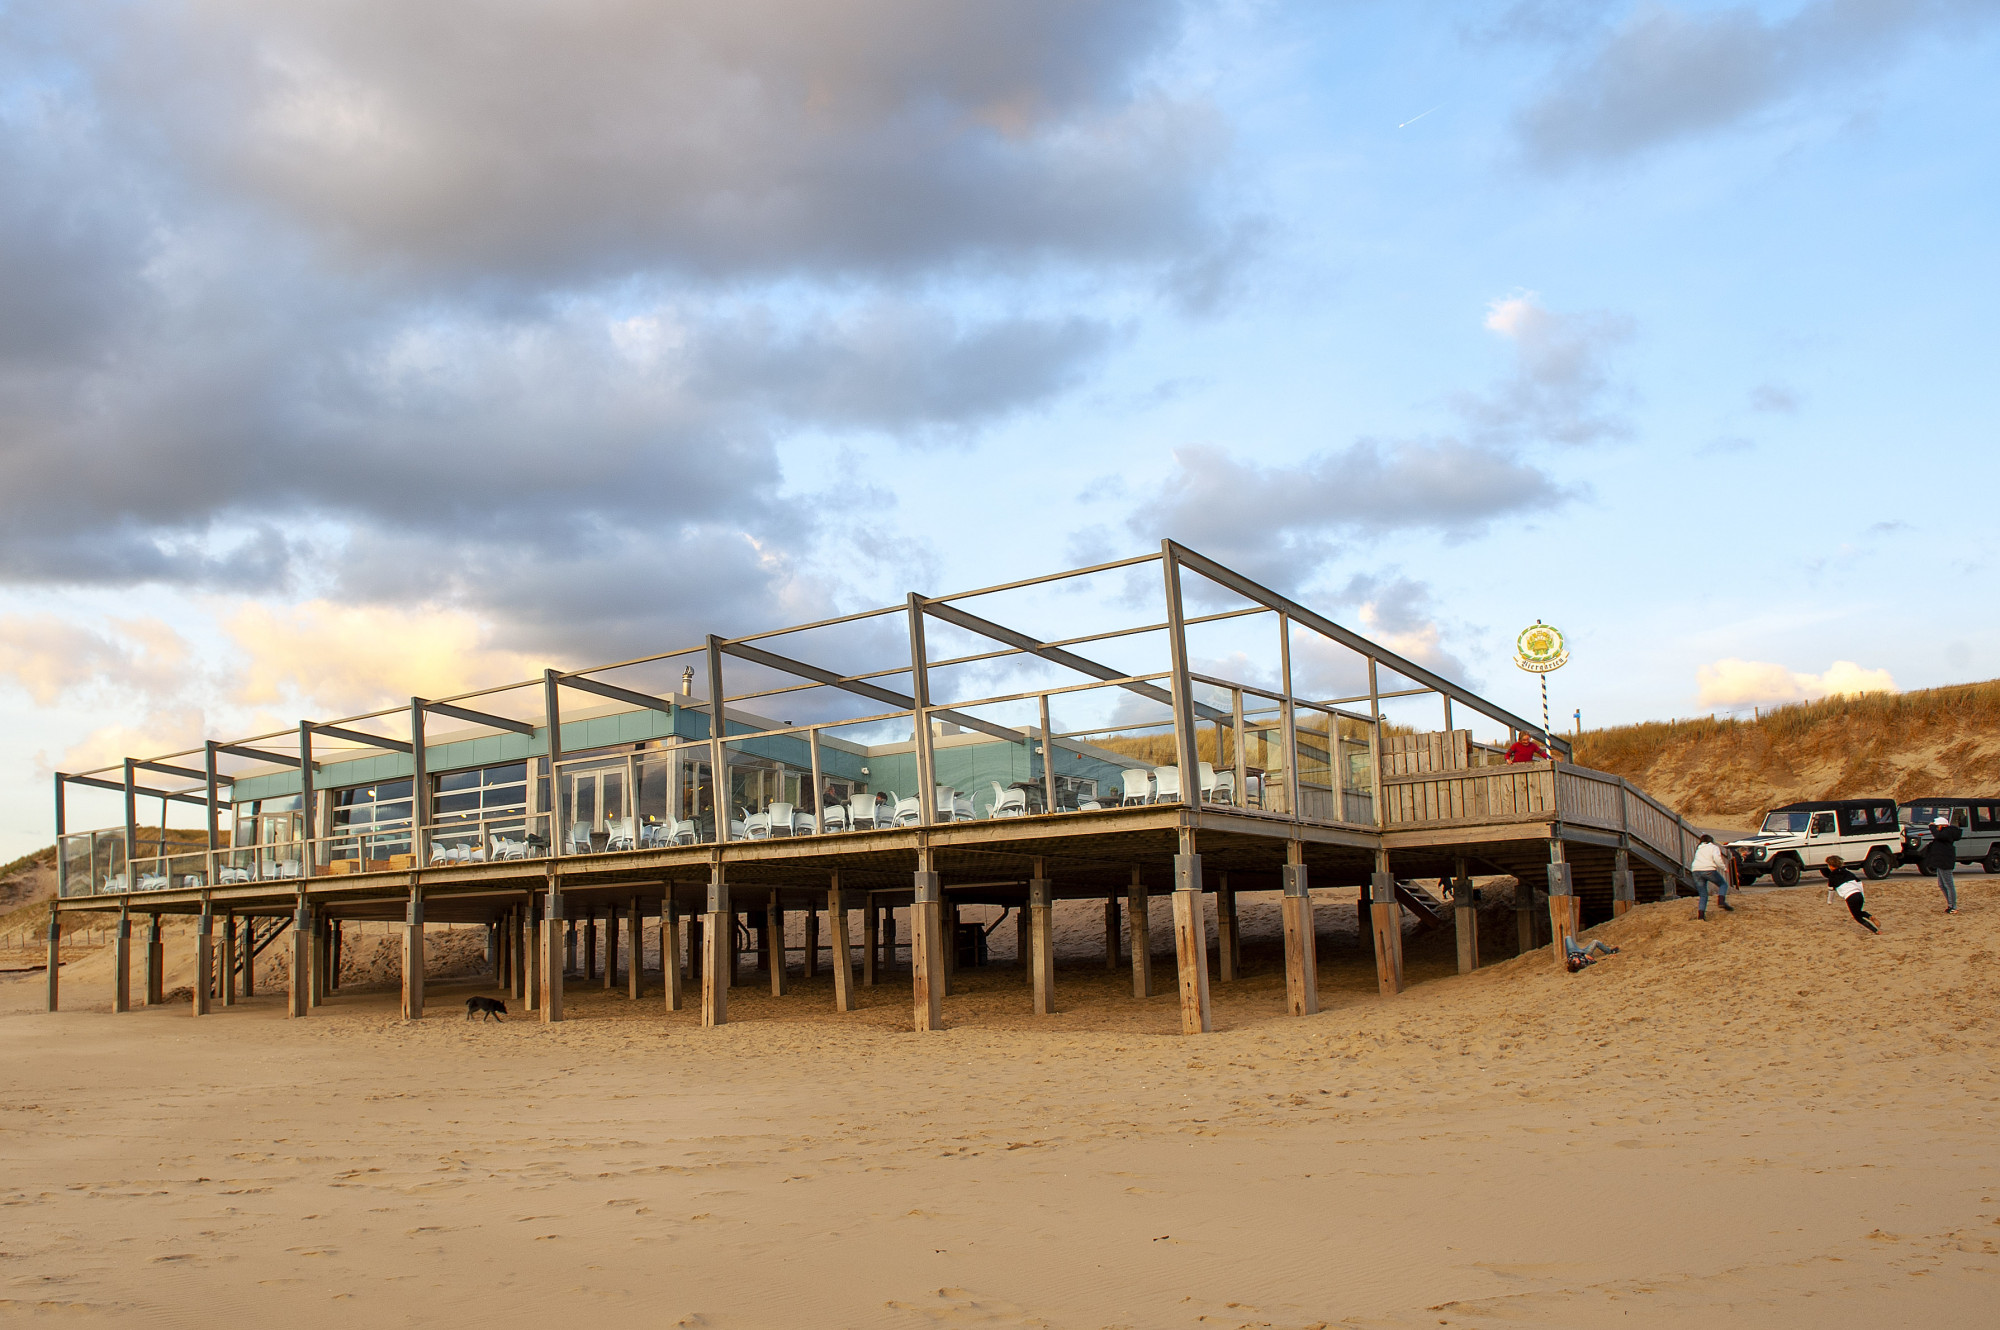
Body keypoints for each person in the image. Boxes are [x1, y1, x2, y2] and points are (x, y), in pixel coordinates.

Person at [1822, 855, 1879, 933]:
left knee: (1857, 917)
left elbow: (1831, 890)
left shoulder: (1832, 876)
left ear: (1831, 866)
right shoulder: (1848, 872)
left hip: (1850, 897)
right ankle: (1870, 916)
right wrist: (1861, 894)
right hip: (1858, 894)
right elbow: (1859, 882)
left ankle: (1875, 930)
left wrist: (1829, 901)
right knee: (1858, 912)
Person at [1921, 814, 1962, 914]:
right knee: (1941, 884)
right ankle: (1950, 905)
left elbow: (1938, 835)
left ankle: (1953, 906)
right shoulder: (1943, 834)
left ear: (1941, 825)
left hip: (1945, 862)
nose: (1936, 828)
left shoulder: (1947, 833)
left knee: (1949, 884)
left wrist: (1932, 827)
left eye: (1937, 826)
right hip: (1941, 862)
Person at [1689, 833, 1735, 920]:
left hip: (1696, 870)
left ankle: (1701, 916)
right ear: (1711, 840)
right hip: (1708, 869)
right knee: (1723, 884)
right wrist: (1724, 868)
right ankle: (1721, 901)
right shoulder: (1713, 847)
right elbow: (1717, 859)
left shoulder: (1699, 848)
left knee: (1703, 895)